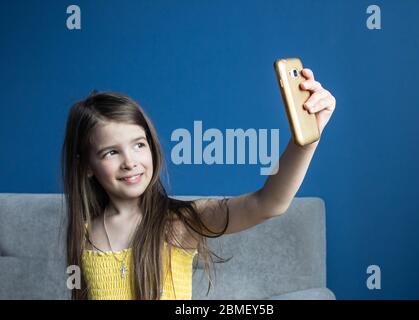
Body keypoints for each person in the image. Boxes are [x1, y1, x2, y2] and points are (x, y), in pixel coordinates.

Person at [61, 68, 336, 300]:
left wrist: (305, 142)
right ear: (86, 166)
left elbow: (266, 204)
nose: (130, 161)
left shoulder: (179, 223)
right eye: (111, 152)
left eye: (138, 145)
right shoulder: (84, 234)